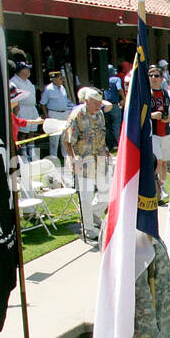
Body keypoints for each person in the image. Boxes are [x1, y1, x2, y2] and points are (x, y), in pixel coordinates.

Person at [64, 88, 111, 242]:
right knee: (86, 195)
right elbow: (67, 140)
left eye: (100, 103)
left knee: (106, 192)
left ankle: (93, 215)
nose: (98, 105)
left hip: (100, 157)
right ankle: (88, 227)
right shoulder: (77, 115)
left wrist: (106, 151)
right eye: (95, 102)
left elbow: (102, 135)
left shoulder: (100, 114)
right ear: (86, 101)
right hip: (84, 160)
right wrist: (73, 158)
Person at [147, 66, 170, 191]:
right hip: (152, 133)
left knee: (164, 162)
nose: (153, 78)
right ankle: (156, 186)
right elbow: (138, 113)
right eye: (151, 75)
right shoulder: (146, 94)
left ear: (162, 78)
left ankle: (162, 186)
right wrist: (151, 115)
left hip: (166, 132)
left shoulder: (168, 93)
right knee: (157, 161)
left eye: (156, 76)